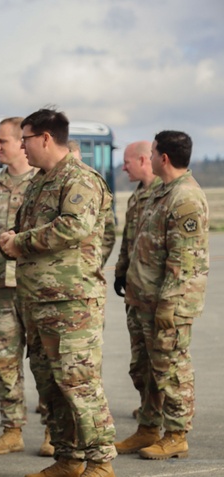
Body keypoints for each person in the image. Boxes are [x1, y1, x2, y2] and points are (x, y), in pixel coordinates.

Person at [0, 108, 118, 477]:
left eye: (26, 139)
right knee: (51, 385)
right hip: (39, 301)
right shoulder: (40, 182)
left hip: (71, 304)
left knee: (79, 383)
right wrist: (12, 240)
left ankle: (101, 464)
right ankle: (68, 458)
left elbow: (75, 227)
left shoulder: (79, 179)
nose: (22, 147)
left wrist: (20, 242)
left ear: (46, 138)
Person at [119, 132, 209, 460]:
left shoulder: (185, 198)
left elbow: (184, 261)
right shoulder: (160, 192)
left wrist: (169, 304)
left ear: (164, 158)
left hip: (167, 303)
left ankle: (176, 434)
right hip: (144, 298)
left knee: (171, 368)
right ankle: (147, 428)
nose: (151, 156)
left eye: (154, 151)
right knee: (145, 368)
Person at [0, 118, 39, 457]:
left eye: (2, 141)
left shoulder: (43, 183)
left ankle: (55, 431)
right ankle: (12, 429)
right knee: (5, 360)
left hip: (35, 287)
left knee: (45, 360)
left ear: (21, 142)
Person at [113, 141, 162, 453]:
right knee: (140, 366)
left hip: (155, 294)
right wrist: (121, 271)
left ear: (144, 160)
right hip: (135, 292)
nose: (123, 167)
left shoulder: (163, 193)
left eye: (127, 162)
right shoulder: (138, 196)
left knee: (161, 366)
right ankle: (149, 422)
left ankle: (161, 426)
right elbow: (128, 240)